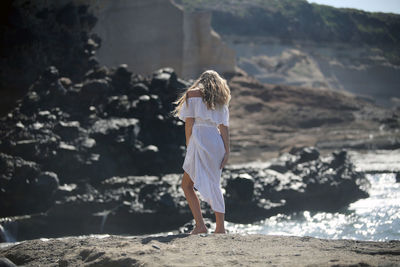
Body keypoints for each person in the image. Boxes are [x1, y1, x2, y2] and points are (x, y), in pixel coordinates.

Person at [172, 70, 230, 234]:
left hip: (199, 138)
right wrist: (227, 151)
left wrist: (189, 143)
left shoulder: (192, 94)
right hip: (216, 141)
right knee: (214, 184)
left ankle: (201, 226)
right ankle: (220, 228)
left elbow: (189, 123)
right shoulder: (221, 98)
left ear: (201, 80)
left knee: (187, 185)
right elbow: (224, 127)